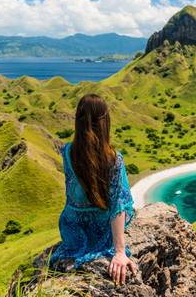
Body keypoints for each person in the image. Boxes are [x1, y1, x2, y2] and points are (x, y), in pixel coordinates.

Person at [50, 93, 137, 285]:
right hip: (99, 229)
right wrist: (120, 252)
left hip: (71, 227)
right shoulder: (114, 160)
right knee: (127, 204)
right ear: (105, 122)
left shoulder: (67, 152)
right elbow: (118, 206)